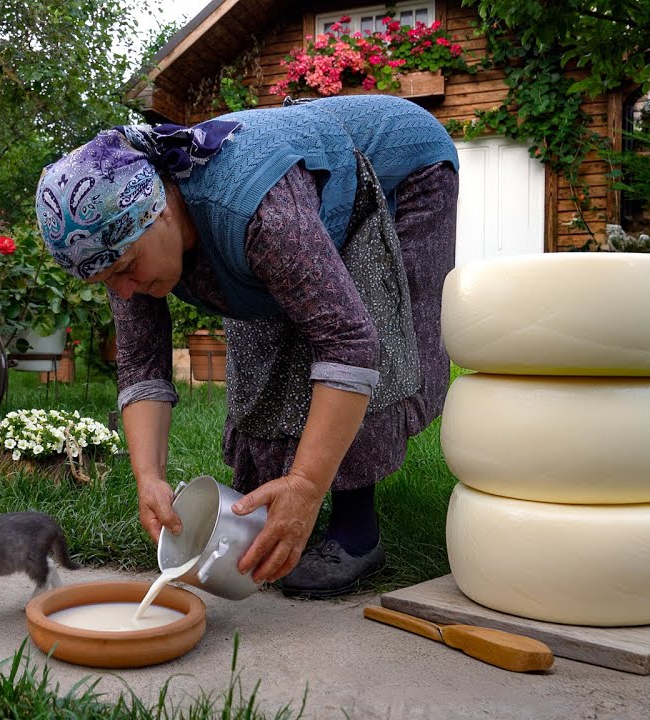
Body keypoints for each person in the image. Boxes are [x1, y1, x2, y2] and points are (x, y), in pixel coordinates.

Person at [34, 95, 459, 598]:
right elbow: (141, 363)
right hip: (285, 202)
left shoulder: (259, 213)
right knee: (262, 347)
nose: (124, 290)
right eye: (109, 281)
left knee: (361, 313)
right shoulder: (117, 241)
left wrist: (305, 486)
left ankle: (355, 534)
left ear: (163, 212)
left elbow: (349, 345)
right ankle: (273, 513)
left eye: (126, 270)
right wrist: (148, 478)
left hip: (401, 168)